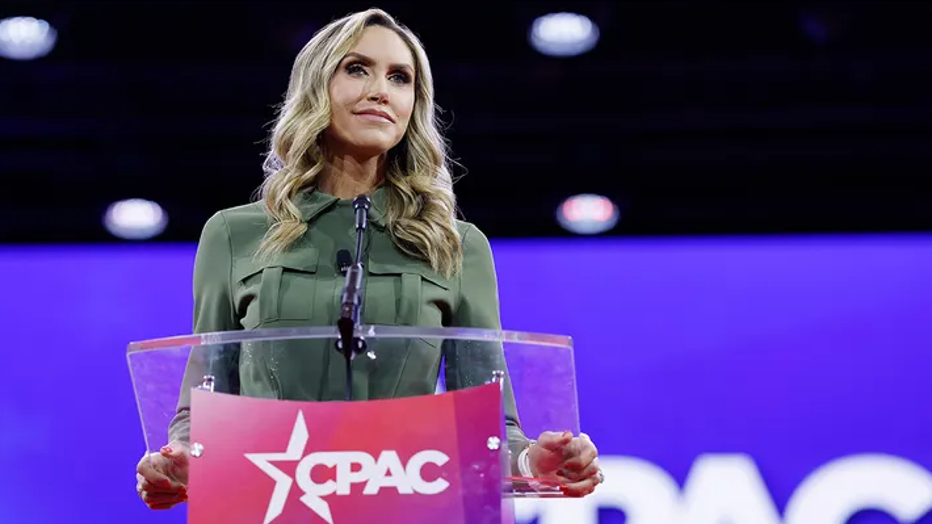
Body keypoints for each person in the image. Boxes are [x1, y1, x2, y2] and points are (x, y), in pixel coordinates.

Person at [135, 7, 602, 511]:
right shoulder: (232, 234)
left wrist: (536, 462)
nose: (381, 89)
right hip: (272, 508)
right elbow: (202, 404)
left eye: (400, 78)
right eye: (357, 68)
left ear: (412, 105)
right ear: (316, 86)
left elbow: (493, 430)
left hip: (408, 507)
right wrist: (178, 456)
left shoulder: (456, 244)